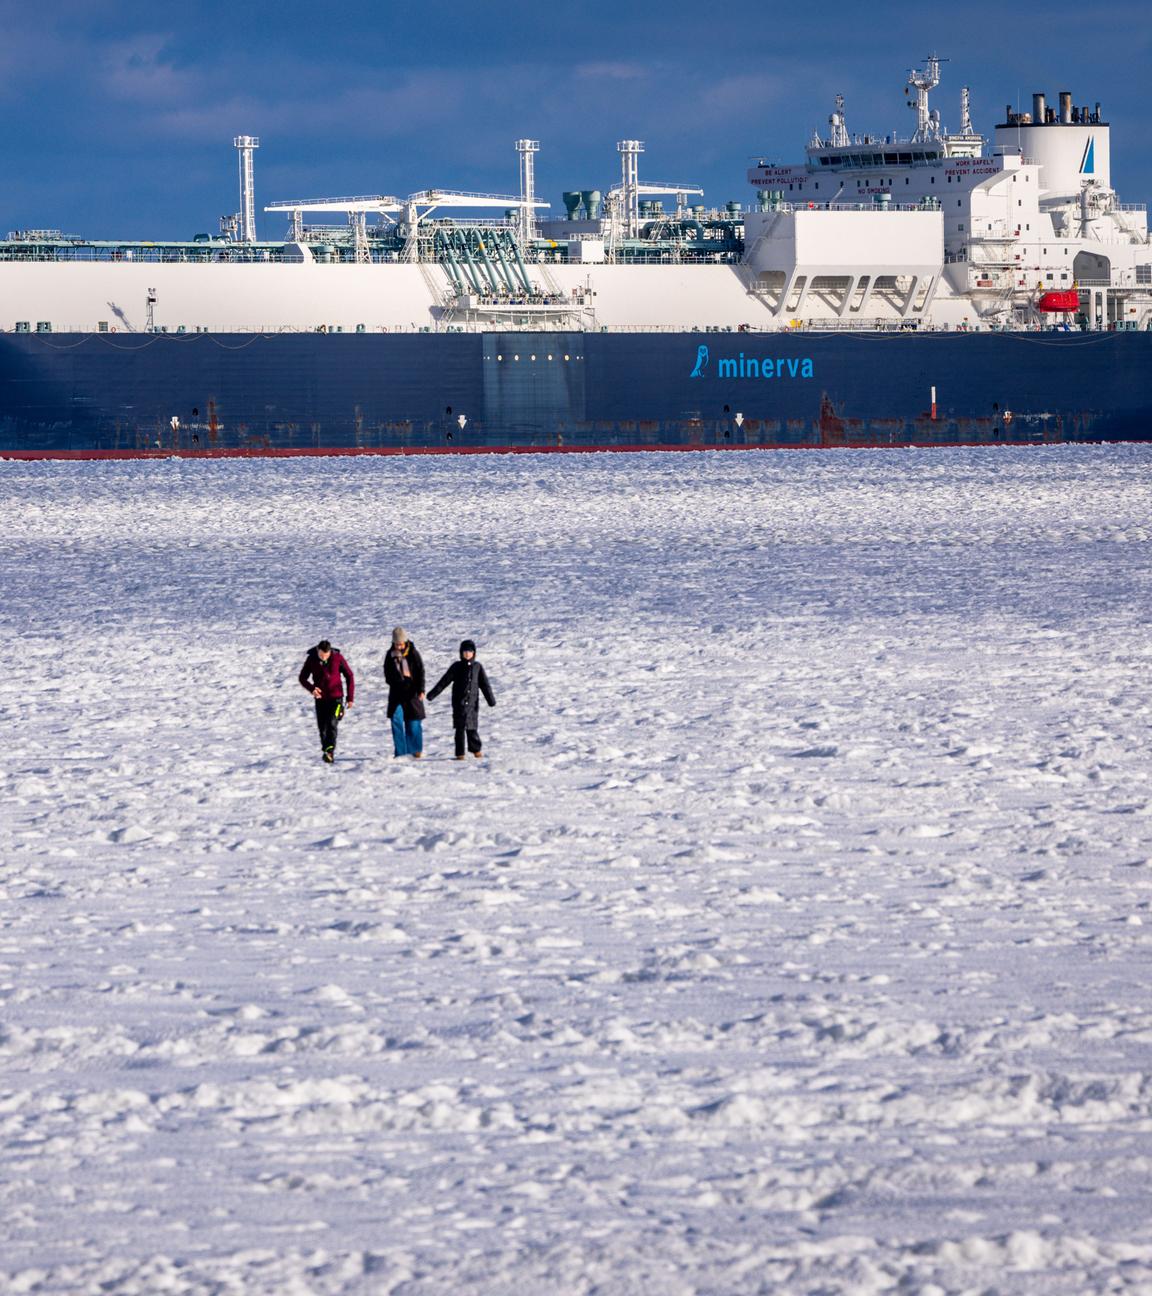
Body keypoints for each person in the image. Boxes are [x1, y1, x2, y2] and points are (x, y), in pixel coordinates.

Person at [427, 639, 496, 760]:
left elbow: (485, 685)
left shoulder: (478, 667)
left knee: (472, 728)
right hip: (459, 703)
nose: (467, 654)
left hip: (473, 703)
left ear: (474, 653)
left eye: (470, 651)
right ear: (461, 653)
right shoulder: (456, 666)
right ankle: (460, 753)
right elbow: (444, 682)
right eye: (465, 651)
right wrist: (432, 694)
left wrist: (491, 700)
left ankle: (476, 750)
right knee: (459, 729)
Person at [298, 639, 355, 763]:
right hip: (321, 699)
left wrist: (350, 698)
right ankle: (326, 751)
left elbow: (349, 675)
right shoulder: (311, 659)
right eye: (321, 656)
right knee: (322, 727)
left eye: (326, 655)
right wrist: (312, 688)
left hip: (336, 698)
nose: (323, 658)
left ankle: (330, 751)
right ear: (317, 651)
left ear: (330, 652)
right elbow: (302, 678)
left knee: (332, 723)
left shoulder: (337, 657)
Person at [384, 626, 425, 758]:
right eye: (397, 644)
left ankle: (415, 751)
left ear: (405, 642)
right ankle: (400, 753)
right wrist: (395, 680)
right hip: (396, 694)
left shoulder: (413, 653)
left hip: (412, 693)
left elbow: (420, 672)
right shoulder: (390, 655)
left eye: (401, 644)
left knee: (413, 723)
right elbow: (387, 674)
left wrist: (421, 689)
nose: (399, 646)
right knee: (396, 721)